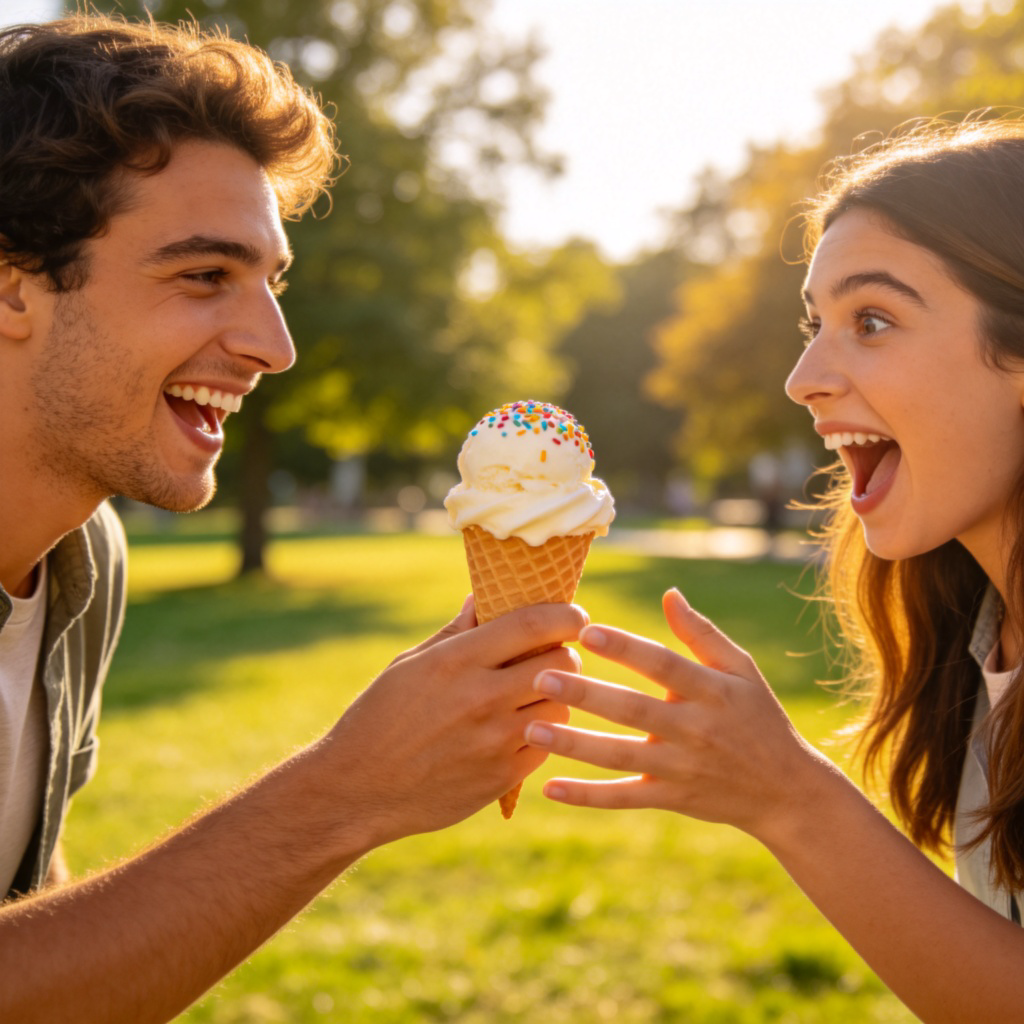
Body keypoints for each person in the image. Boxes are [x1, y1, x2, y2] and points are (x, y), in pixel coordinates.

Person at [0, 13, 585, 1022]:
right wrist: (344, 791)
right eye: (202, 276)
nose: (275, 346)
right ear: (14, 288)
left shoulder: (80, 560)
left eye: (269, 282)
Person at [524, 114, 1024, 1021]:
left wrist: (790, 797)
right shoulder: (981, 633)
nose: (802, 377)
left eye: (871, 320)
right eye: (816, 323)